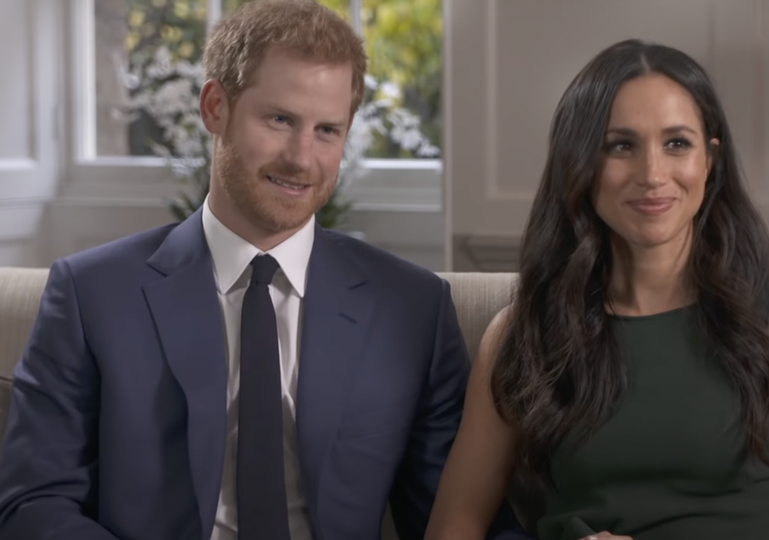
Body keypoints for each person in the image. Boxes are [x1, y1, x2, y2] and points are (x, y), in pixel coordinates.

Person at [0, 1, 526, 539]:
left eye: (328, 130)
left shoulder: (412, 309)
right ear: (215, 108)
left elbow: (462, 515)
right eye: (280, 120)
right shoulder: (92, 295)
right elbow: (34, 503)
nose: (301, 157)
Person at [424, 39, 769, 540]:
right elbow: (453, 527)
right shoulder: (522, 334)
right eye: (621, 146)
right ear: (579, 164)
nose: (652, 175)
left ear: (710, 159)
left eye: (677, 144)